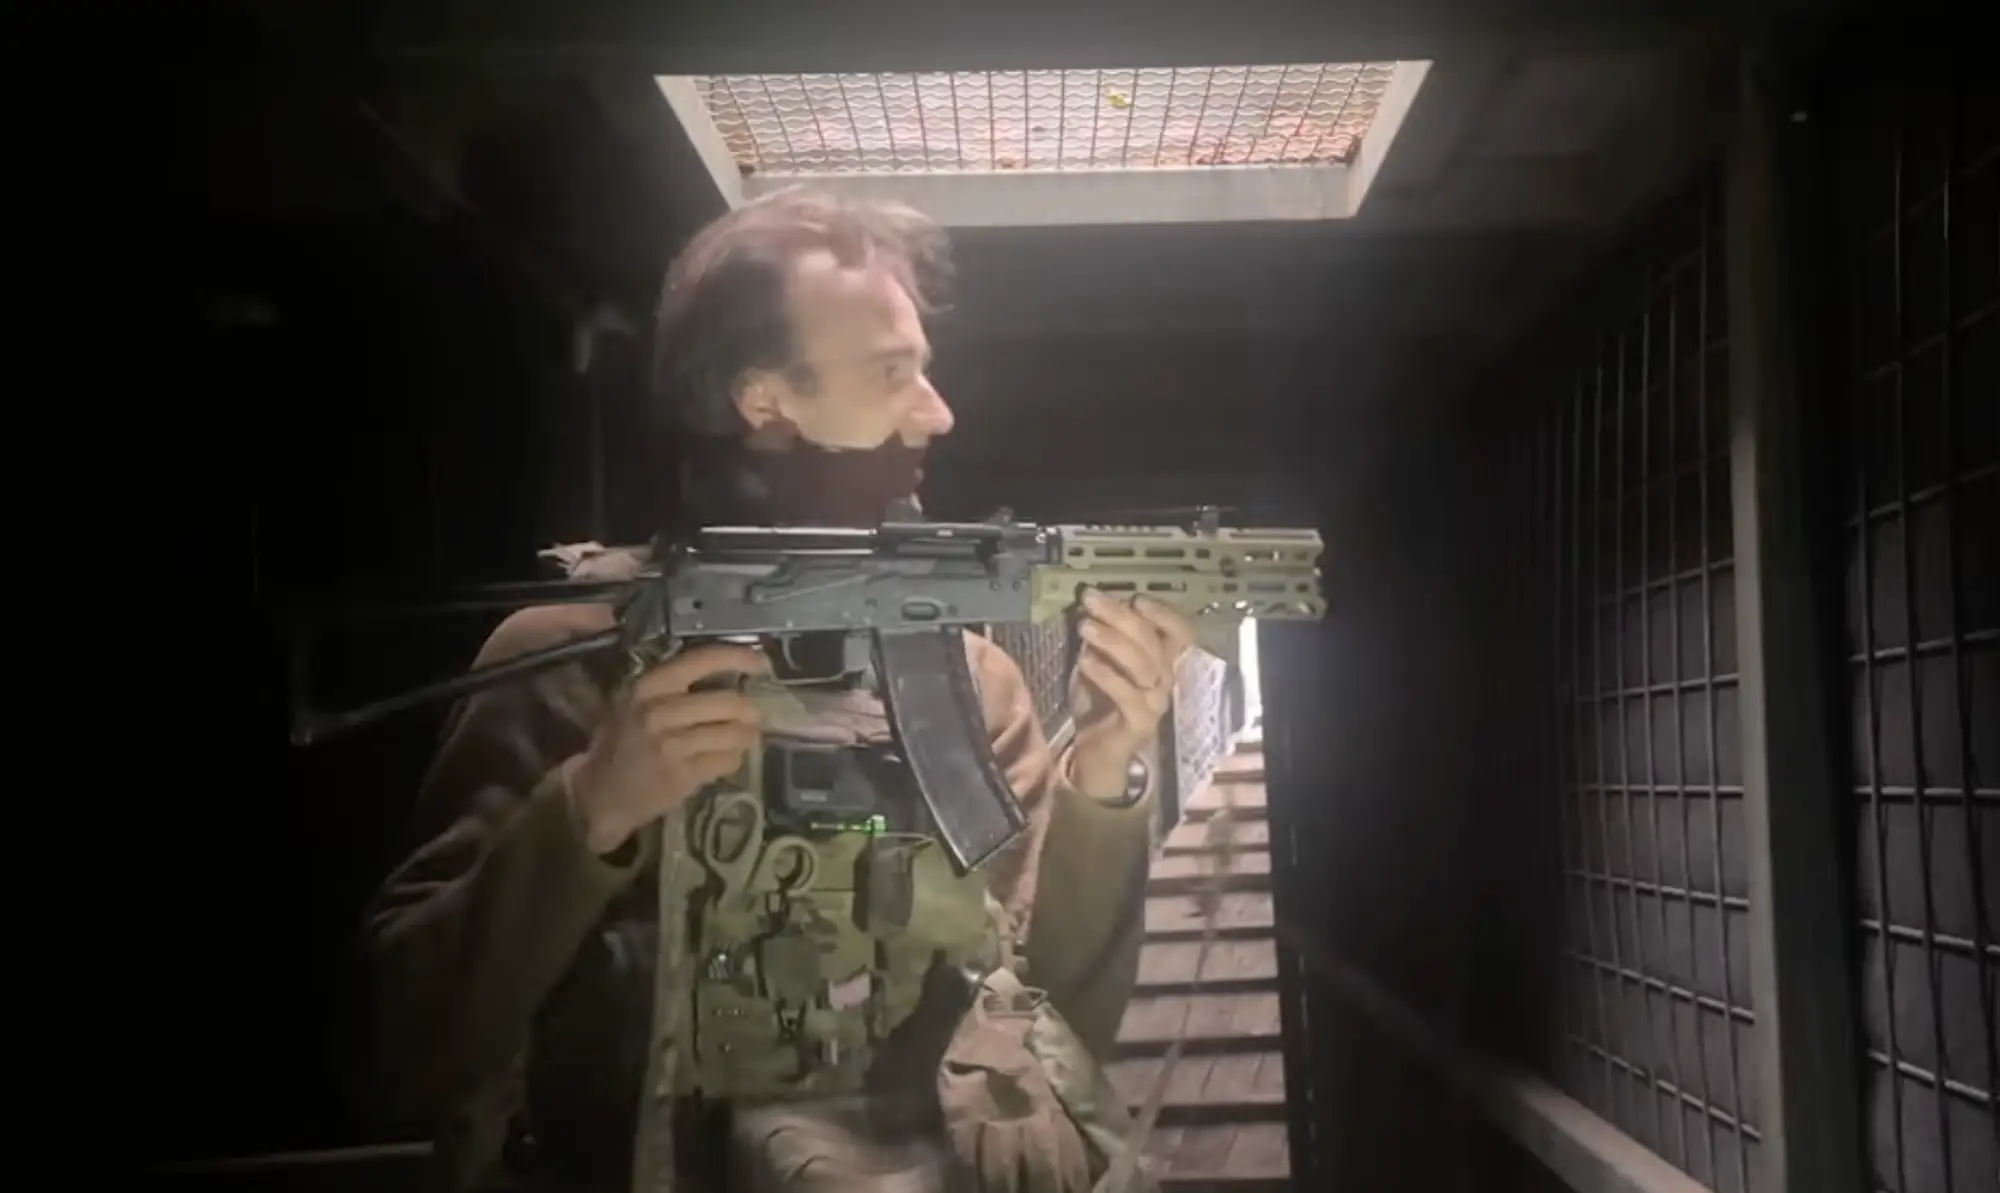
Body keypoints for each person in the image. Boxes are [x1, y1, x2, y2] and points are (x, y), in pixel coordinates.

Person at [356, 187, 1193, 1193]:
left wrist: (1101, 780)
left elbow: (1059, 1032)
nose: (937, 411)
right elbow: (390, 1051)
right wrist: (591, 808)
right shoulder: (574, 654)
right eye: (894, 373)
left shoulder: (969, 680)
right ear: (767, 403)